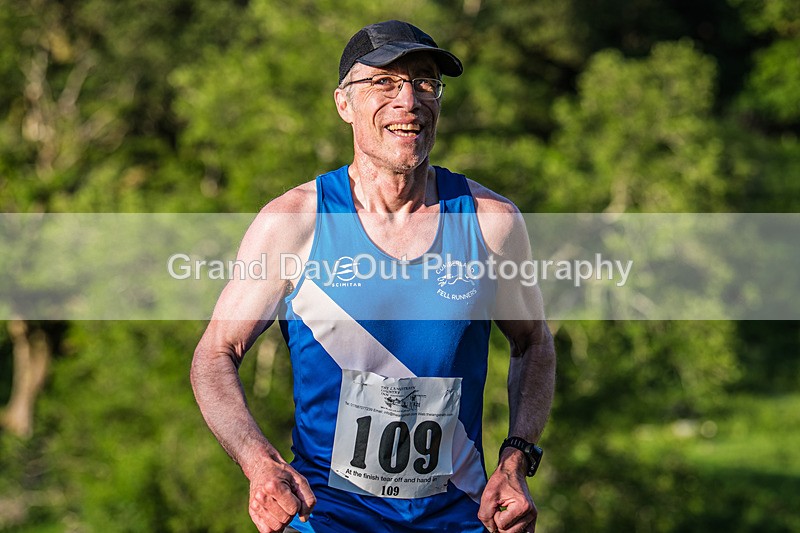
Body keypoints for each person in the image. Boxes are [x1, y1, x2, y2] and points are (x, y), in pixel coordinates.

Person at [191, 20, 556, 533]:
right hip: (326, 517)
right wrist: (259, 464)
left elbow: (533, 343)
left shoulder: (490, 221)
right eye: (384, 82)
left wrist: (516, 460)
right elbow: (214, 353)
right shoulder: (295, 221)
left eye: (425, 82)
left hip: (457, 518)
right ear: (344, 104)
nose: (409, 100)